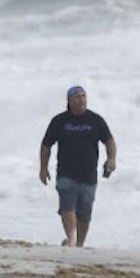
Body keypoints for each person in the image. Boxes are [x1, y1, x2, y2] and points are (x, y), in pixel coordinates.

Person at [39, 85, 116, 247]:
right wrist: (43, 168)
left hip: (89, 175)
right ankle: (72, 239)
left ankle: (78, 244)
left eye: (83, 96)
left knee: (84, 214)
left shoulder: (95, 120)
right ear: (69, 101)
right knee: (67, 204)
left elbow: (109, 140)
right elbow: (46, 145)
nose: (81, 99)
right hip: (66, 173)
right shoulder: (59, 121)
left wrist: (111, 159)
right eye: (77, 97)